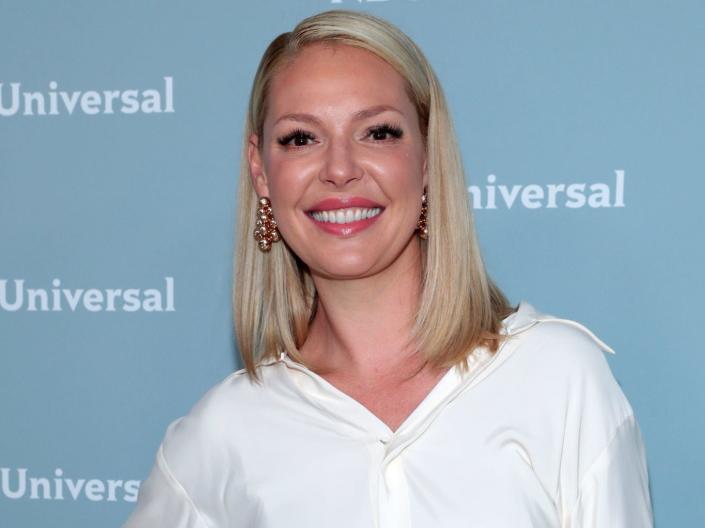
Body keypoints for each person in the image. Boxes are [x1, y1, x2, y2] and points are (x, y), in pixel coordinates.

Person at [123, 9, 653, 527]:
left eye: (377, 132)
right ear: (261, 171)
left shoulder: (558, 379)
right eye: (301, 138)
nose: (339, 170)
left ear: (426, 157)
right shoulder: (223, 434)